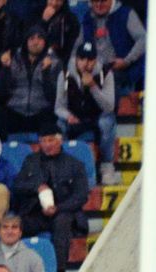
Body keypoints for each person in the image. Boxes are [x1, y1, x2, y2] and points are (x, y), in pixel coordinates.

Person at [12, 121, 88, 272]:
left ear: (59, 141)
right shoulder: (31, 161)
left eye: (51, 140)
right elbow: (17, 185)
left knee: (62, 222)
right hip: (36, 212)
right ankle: (13, 271)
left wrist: (58, 208)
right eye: (43, 141)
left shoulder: (74, 164)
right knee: (14, 225)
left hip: (63, 212)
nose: (47, 145)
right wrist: (36, 187)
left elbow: (81, 196)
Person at [56, 42, 118, 186]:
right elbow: (59, 107)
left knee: (107, 121)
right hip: (75, 117)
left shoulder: (105, 73)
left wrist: (93, 87)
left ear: (95, 60)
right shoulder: (65, 74)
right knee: (59, 124)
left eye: (90, 59)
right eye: (82, 59)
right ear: (76, 59)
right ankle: (62, 166)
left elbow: (109, 106)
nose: (86, 63)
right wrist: (68, 116)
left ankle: (106, 166)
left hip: (97, 116)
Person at [0, 28, 58, 140]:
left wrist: (46, 72)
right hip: (16, 112)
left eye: (40, 38)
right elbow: (1, 93)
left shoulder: (55, 62)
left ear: (45, 42)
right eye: (32, 38)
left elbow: (52, 97)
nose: (35, 42)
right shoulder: (13, 60)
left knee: (52, 116)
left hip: (40, 113)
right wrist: (6, 69)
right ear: (26, 42)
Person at [74, 0, 145, 91]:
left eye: (103, 1)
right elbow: (76, 47)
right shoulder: (88, 17)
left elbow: (143, 39)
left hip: (121, 73)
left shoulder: (126, 13)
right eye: (95, 1)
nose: (99, 4)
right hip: (93, 71)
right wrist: (76, 65)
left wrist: (127, 61)